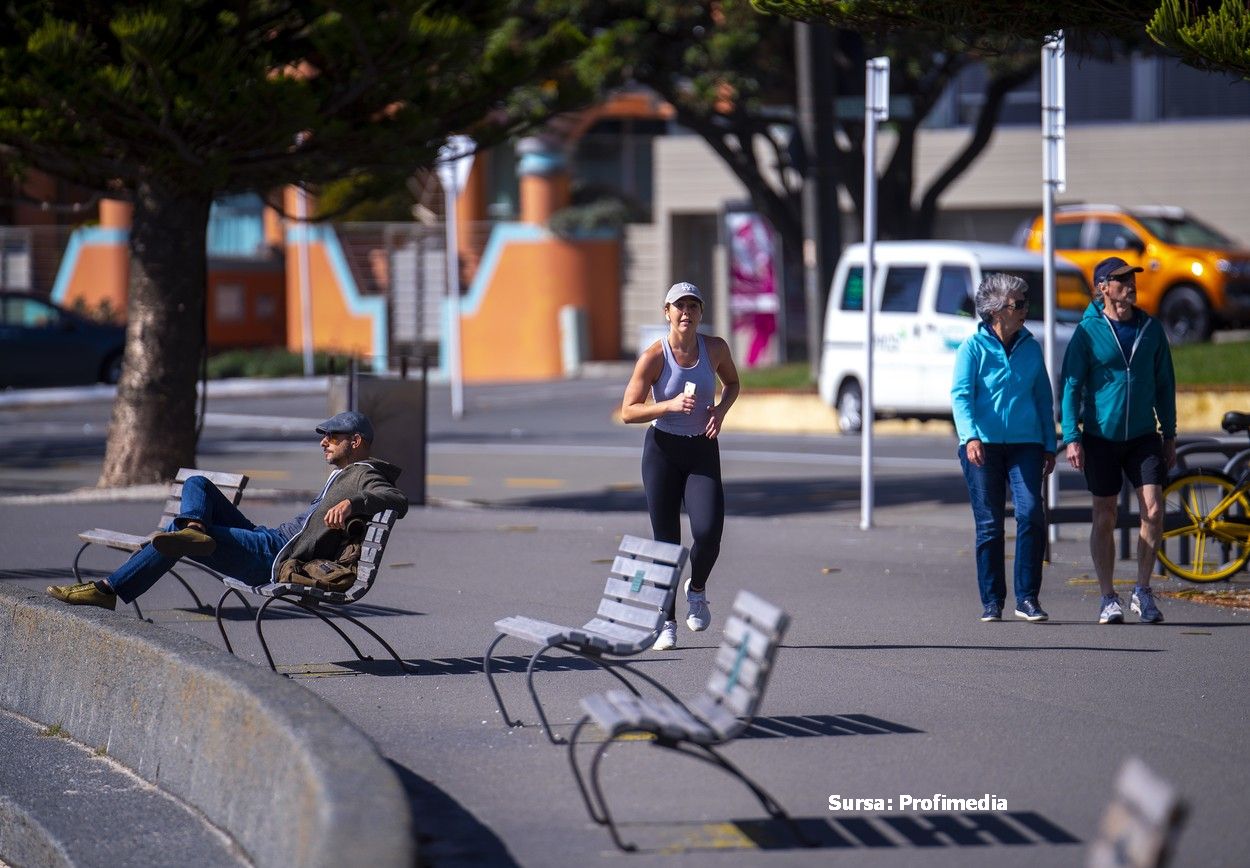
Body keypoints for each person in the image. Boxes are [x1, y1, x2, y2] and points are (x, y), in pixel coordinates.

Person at [47, 411, 408, 610]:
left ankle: (107, 590)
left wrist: (353, 503)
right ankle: (193, 528)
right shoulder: (345, 473)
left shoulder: (364, 476)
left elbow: (396, 500)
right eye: (324, 435)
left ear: (356, 441)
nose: (323, 441)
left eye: (332, 435)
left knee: (176, 541)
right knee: (198, 485)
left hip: (274, 557)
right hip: (268, 537)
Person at [621, 281, 740, 651]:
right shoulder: (654, 356)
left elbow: (733, 383)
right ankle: (666, 621)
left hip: (702, 448)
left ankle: (698, 588)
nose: (686, 312)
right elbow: (628, 411)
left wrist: (720, 410)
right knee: (667, 543)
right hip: (662, 452)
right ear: (667, 312)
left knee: (707, 533)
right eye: (679, 306)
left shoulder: (715, 348)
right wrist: (667, 406)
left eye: (693, 306)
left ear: (701, 312)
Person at [1061, 256, 1177, 625]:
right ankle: (1108, 597)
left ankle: (1142, 590)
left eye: (1133, 279)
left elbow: (1165, 385)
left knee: (1154, 509)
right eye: (1122, 280)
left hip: (1143, 435)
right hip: (1100, 437)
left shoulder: (1151, 329)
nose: (1130, 285)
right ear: (1103, 287)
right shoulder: (1087, 332)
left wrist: (1169, 433)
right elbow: (1071, 387)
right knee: (1105, 513)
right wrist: (1072, 436)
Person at [951, 273, 1057, 623]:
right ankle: (992, 600)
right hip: (982, 446)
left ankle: (1027, 598)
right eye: (1019, 304)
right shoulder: (973, 348)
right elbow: (961, 397)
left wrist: (1049, 443)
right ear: (996, 310)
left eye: (1026, 303)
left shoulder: (1031, 345)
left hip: (1026, 444)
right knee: (990, 525)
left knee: (1031, 514)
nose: (1026, 309)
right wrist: (971, 437)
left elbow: (1043, 397)